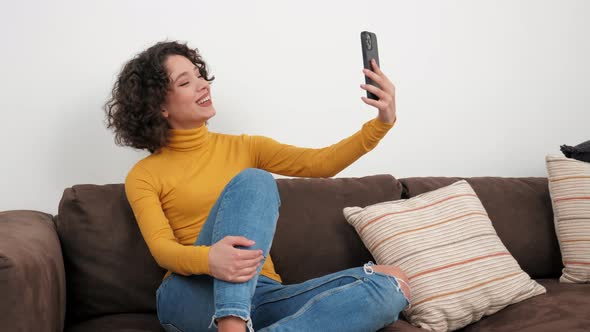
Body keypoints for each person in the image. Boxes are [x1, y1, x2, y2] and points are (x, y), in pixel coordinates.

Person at [104, 40, 410, 332]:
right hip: (192, 291)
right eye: (186, 82)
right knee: (255, 180)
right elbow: (162, 249)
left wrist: (381, 123)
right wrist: (210, 259)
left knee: (391, 286)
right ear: (159, 107)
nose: (202, 85)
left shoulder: (245, 148)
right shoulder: (144, 175)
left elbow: (320, 163)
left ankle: (238, 320)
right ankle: (233, 322)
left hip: (261, 294)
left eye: (199, 75)